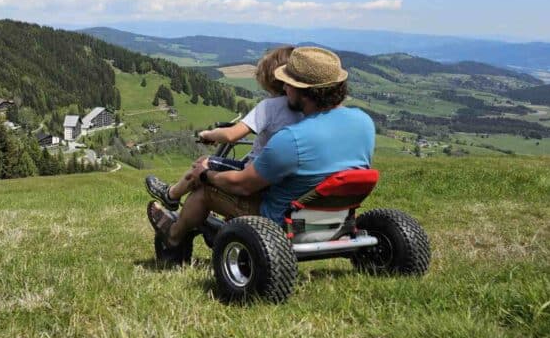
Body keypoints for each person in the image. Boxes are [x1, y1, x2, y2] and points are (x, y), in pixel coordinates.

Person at [146, 47, 376, 249]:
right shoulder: (364, 122)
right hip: (335, 220)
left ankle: (173, 237)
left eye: (289, 83)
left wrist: (206, 175)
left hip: (283, 224)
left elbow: (243, 185)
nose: (284, 87)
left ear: (305, 91)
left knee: (204, 190)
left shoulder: (292, 139)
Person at [144, 46, 301, 211]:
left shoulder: (270, 106)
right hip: (282, 180)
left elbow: (231, 135)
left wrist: (208, 134)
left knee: (203, 163)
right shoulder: (304, 107)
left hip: (255, 174)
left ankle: (171, 195)